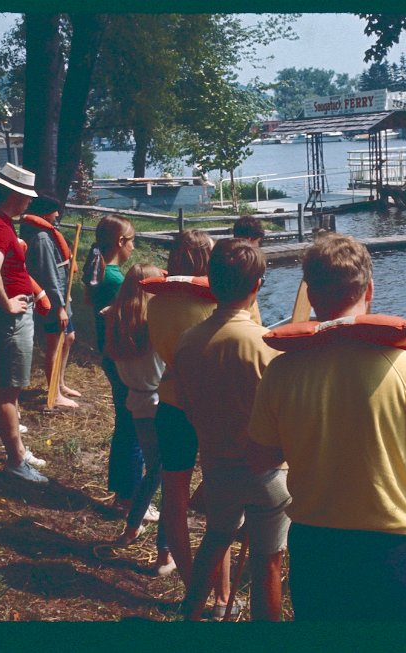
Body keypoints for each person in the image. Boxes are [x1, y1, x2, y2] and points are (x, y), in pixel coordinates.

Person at [248, 234, 406, 621]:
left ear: (310, 296)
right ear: (370, 290)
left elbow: (261, 457)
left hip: (316, 545)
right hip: (390, 550)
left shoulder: (281, 372)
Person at [175, 238, 290, 621]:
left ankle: (188, 618)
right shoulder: (266, 345)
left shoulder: (188, 342)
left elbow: (188, 407)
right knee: (267, 562)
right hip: (266, 473)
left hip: (217, 467)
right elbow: (284, 419)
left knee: (216, 537)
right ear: (257, 285)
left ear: (210, 282)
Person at [146, 230, 232, 605]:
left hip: (171, 405)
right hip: (212, 408)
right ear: (204, 260)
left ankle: (192, 584)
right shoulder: (218, 302)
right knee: (220, 499)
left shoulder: (157, 302)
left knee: (175, 498)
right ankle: (222, 593)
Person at [103, 264, 175, 577]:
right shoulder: (156, 323)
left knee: (153, 471)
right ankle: (164, 555)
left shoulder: (116, 318)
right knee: (171, 480)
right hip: (161, 405)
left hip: (136, 402)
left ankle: (132, 528)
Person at [0, 163, 48, 484]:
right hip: (11, 317)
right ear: (15, 196)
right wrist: (7, 302)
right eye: (26, 197)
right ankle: (16, 460)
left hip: (9, 314)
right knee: (9, 389)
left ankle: (17, 449)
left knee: (5, 385)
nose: (30, 203)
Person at [87, 215, 143, 514]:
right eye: (132, 239)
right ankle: (131, 497)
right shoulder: (114, 279)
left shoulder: (104, 272)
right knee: (133, 428)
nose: (134, 246)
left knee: (125, 423)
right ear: (120, 242)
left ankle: (123, 491)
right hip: (119, 358)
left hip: (110, 356)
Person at [22, 196, 81, 409]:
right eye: (55, 211)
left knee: (69, 337)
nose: (58, 215)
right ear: (46, 213)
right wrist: (59, 308)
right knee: (54, 344)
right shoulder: (41, 238)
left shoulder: (46, 234)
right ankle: (53, 394)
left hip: (63, 297)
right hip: (54, 301)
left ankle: (60, 383)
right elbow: (47, 275)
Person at [231, 216, 265, 326]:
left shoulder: (224, 258)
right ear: (249, 240)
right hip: (248, 319)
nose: (258, 246)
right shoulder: (249, 262)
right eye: (258, 242)